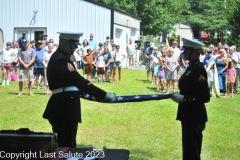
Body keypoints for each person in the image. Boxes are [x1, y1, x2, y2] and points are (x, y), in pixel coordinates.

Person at [42, 31, 116, 148]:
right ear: (66, 43)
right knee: (66, 145)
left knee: (67, 142)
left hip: (64, 104)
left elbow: (72, 82)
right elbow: (79, 81)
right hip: (64, 106)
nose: (76, 47)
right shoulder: (61, 60)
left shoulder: (62, 58)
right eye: (74, 44)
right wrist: (103, 95)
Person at [171, 37, 210, 160]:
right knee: (187, 150)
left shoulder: (198, 69)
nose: (184, 53)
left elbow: (205, 96)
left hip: (194, 115)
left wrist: (184, 99)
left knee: (192, 151)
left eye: (187, 50)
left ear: (195, 52)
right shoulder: (191, 67)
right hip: (188, 115)